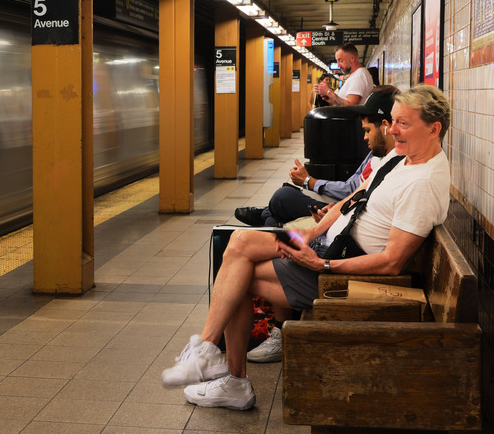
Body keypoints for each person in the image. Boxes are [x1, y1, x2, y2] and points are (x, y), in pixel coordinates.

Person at [161, 84, 450, 411]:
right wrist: (312, 232)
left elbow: (391, 263)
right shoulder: (402, 157)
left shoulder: (424, 182)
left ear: (433, 128)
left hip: (344, 273)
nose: (392, 130)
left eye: (403, 123)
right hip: (329, 246)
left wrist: (322, 266)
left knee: (235, 274)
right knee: (239, 244)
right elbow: (354, 199)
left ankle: (226, 372)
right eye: (392, 121)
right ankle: (213, 358)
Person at [236, 88, 399, 230]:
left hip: (346, 210)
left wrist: (310, 181)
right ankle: (269, 215)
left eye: (367, 130)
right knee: (277, 208)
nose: (364, 137)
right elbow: (354, 182)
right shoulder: (377, 153)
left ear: (385, 126)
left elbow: (353, 191)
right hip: (343, 205)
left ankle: (268, 213)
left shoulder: (391, 161)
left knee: (282, 197)